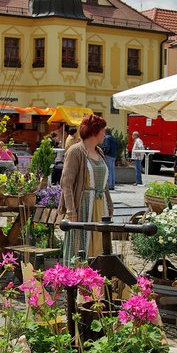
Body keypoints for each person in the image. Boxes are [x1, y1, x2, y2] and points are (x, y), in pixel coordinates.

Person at [59, 114, 113, 266]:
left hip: (99, 205)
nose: (104, 134)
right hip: (82, 205)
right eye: (103, 130)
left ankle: (97, 282)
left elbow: (104, 183)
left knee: (100, 244)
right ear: (95, 131)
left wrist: (109, 203)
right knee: (80, 245)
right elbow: (66, 183)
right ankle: (76, 281)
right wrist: (71, 210)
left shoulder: (99, 152)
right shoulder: (76, 151)